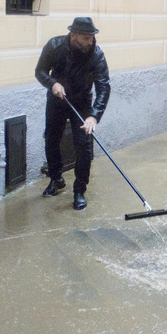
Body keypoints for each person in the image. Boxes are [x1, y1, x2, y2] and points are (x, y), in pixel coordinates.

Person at [35, 17, 111, 210]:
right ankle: (56, 179)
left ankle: (79, 190)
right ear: (73, 35)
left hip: (82, 102)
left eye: (92, 38)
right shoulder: (55, 45)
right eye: (85, 38)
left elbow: (103, 86)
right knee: (51, 139)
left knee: (84, 146)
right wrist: (52, 83)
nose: (90, 42)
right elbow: (40, 71)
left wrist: (94, 115)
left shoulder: (97, 54)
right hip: (57, 99)